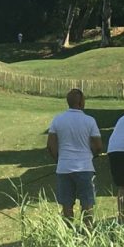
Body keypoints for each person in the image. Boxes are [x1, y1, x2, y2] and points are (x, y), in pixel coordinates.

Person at [47, 89, 103, 227]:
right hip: (84, 167)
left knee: (67, 205)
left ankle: (69, 235)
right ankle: (88, 234)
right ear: (81, 102)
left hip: (64, 168)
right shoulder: (89, 121)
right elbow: (98, 146)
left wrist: (59, 160)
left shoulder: (58, 119)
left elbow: (50, 145)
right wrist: (93, 155)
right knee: (87, 204)